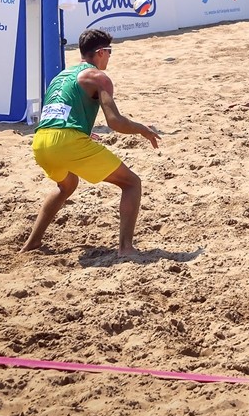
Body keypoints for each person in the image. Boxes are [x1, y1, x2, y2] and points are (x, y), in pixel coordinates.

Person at [21, 29, 161, 257]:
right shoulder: (98, 77)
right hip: (66, 141)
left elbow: (61, 113)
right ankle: (125, 248)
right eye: (109, 51)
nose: (110, 56)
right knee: (131, 183)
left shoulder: (61, 77)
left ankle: (32, 243)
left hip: (40, 141)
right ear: (100, 52)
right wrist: (142, 129)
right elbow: (115, 122)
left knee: (66, 186)